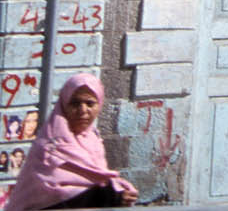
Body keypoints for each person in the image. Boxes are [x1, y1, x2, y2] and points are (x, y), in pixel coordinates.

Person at [4, 75, 137, 210]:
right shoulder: (49, 147)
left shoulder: (93, 141)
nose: (83, 110)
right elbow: (52, 198)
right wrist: (107, 197)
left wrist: (117, 191)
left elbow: (96, 181)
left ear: (99, 105)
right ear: (64, 105)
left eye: (90, 104)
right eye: (75, 103)